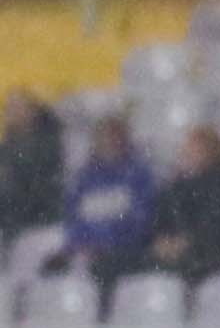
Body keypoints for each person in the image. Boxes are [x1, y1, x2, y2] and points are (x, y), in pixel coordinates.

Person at [57, 116, 155, 294]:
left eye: (114, 137)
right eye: (104, 137)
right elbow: (73, 218)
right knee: (52, 270)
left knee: (104, 271)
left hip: (122, 251)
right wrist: (81, 244)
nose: (110, 142)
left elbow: (142, 220)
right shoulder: (84, 177)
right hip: (86, 251)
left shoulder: (139, 175)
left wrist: (107, 243)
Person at [147, 128, 220, 282]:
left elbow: (219, 225)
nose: (187, 153)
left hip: (219, 253)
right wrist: (163, 241)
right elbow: (164, 218)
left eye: (194, 149)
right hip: (187, 252)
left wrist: (187, 242)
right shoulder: (178, 186)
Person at [0, 88, 65, 238]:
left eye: (18, 107)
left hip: (39, 216)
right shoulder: (7, 145)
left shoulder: (48, 142)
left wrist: (9, 176)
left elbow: (41, 181)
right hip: (12, 214)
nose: (12, 113)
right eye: (9, 108)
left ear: (33, 111)